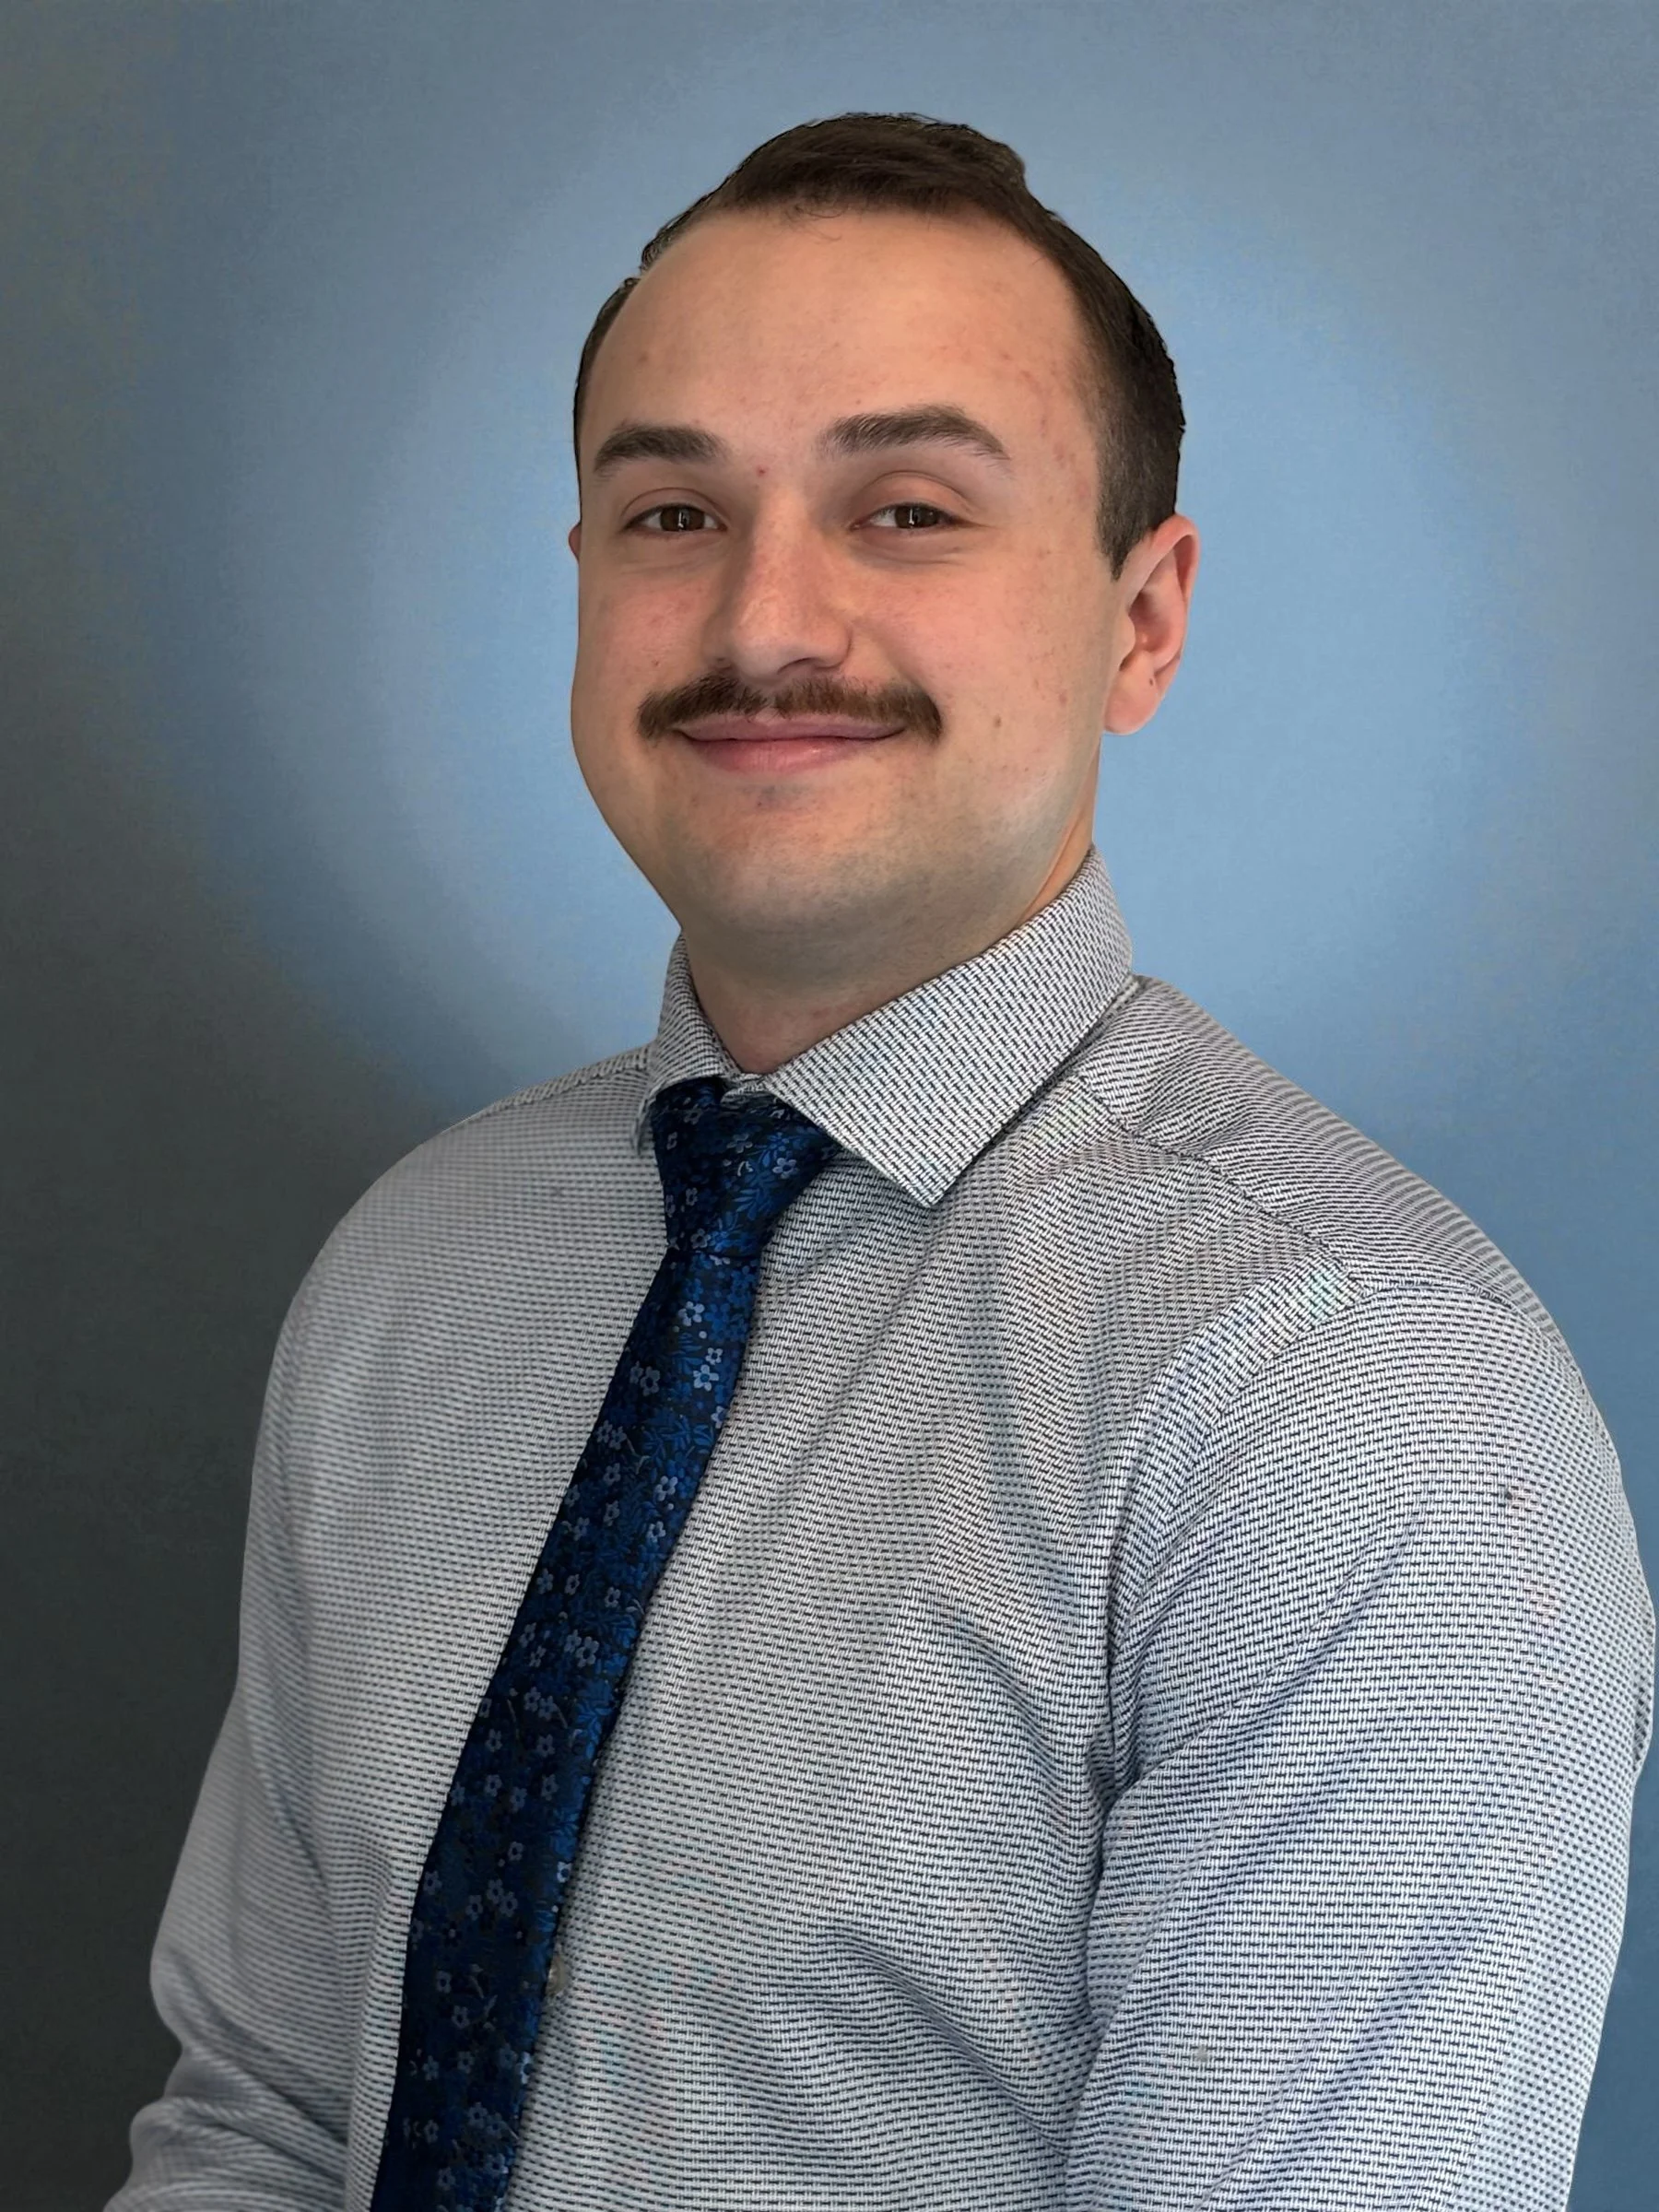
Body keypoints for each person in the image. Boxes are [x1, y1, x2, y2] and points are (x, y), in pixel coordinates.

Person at [112, 113, 1653, 2212]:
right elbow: (268, 2122)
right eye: (673, 511)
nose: (766, 619)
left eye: (907, 510)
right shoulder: (418, 1274)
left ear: (1143, 619)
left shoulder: (1363, 1396)